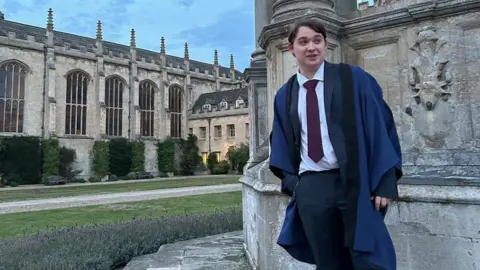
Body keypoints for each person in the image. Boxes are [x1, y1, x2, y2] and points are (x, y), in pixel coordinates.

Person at [269, 18, 403, 270]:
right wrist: (296, 186)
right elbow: (281, 142)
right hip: (313, 187)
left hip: (355, 183)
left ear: (326, 44)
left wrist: (385, 180)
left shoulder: (353, 79)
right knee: (327, 262)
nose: (311, 47)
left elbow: (382, 124)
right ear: (291, 49)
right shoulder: (285, 95)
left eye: (317, 41)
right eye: (304, 42)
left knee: (368, 260)